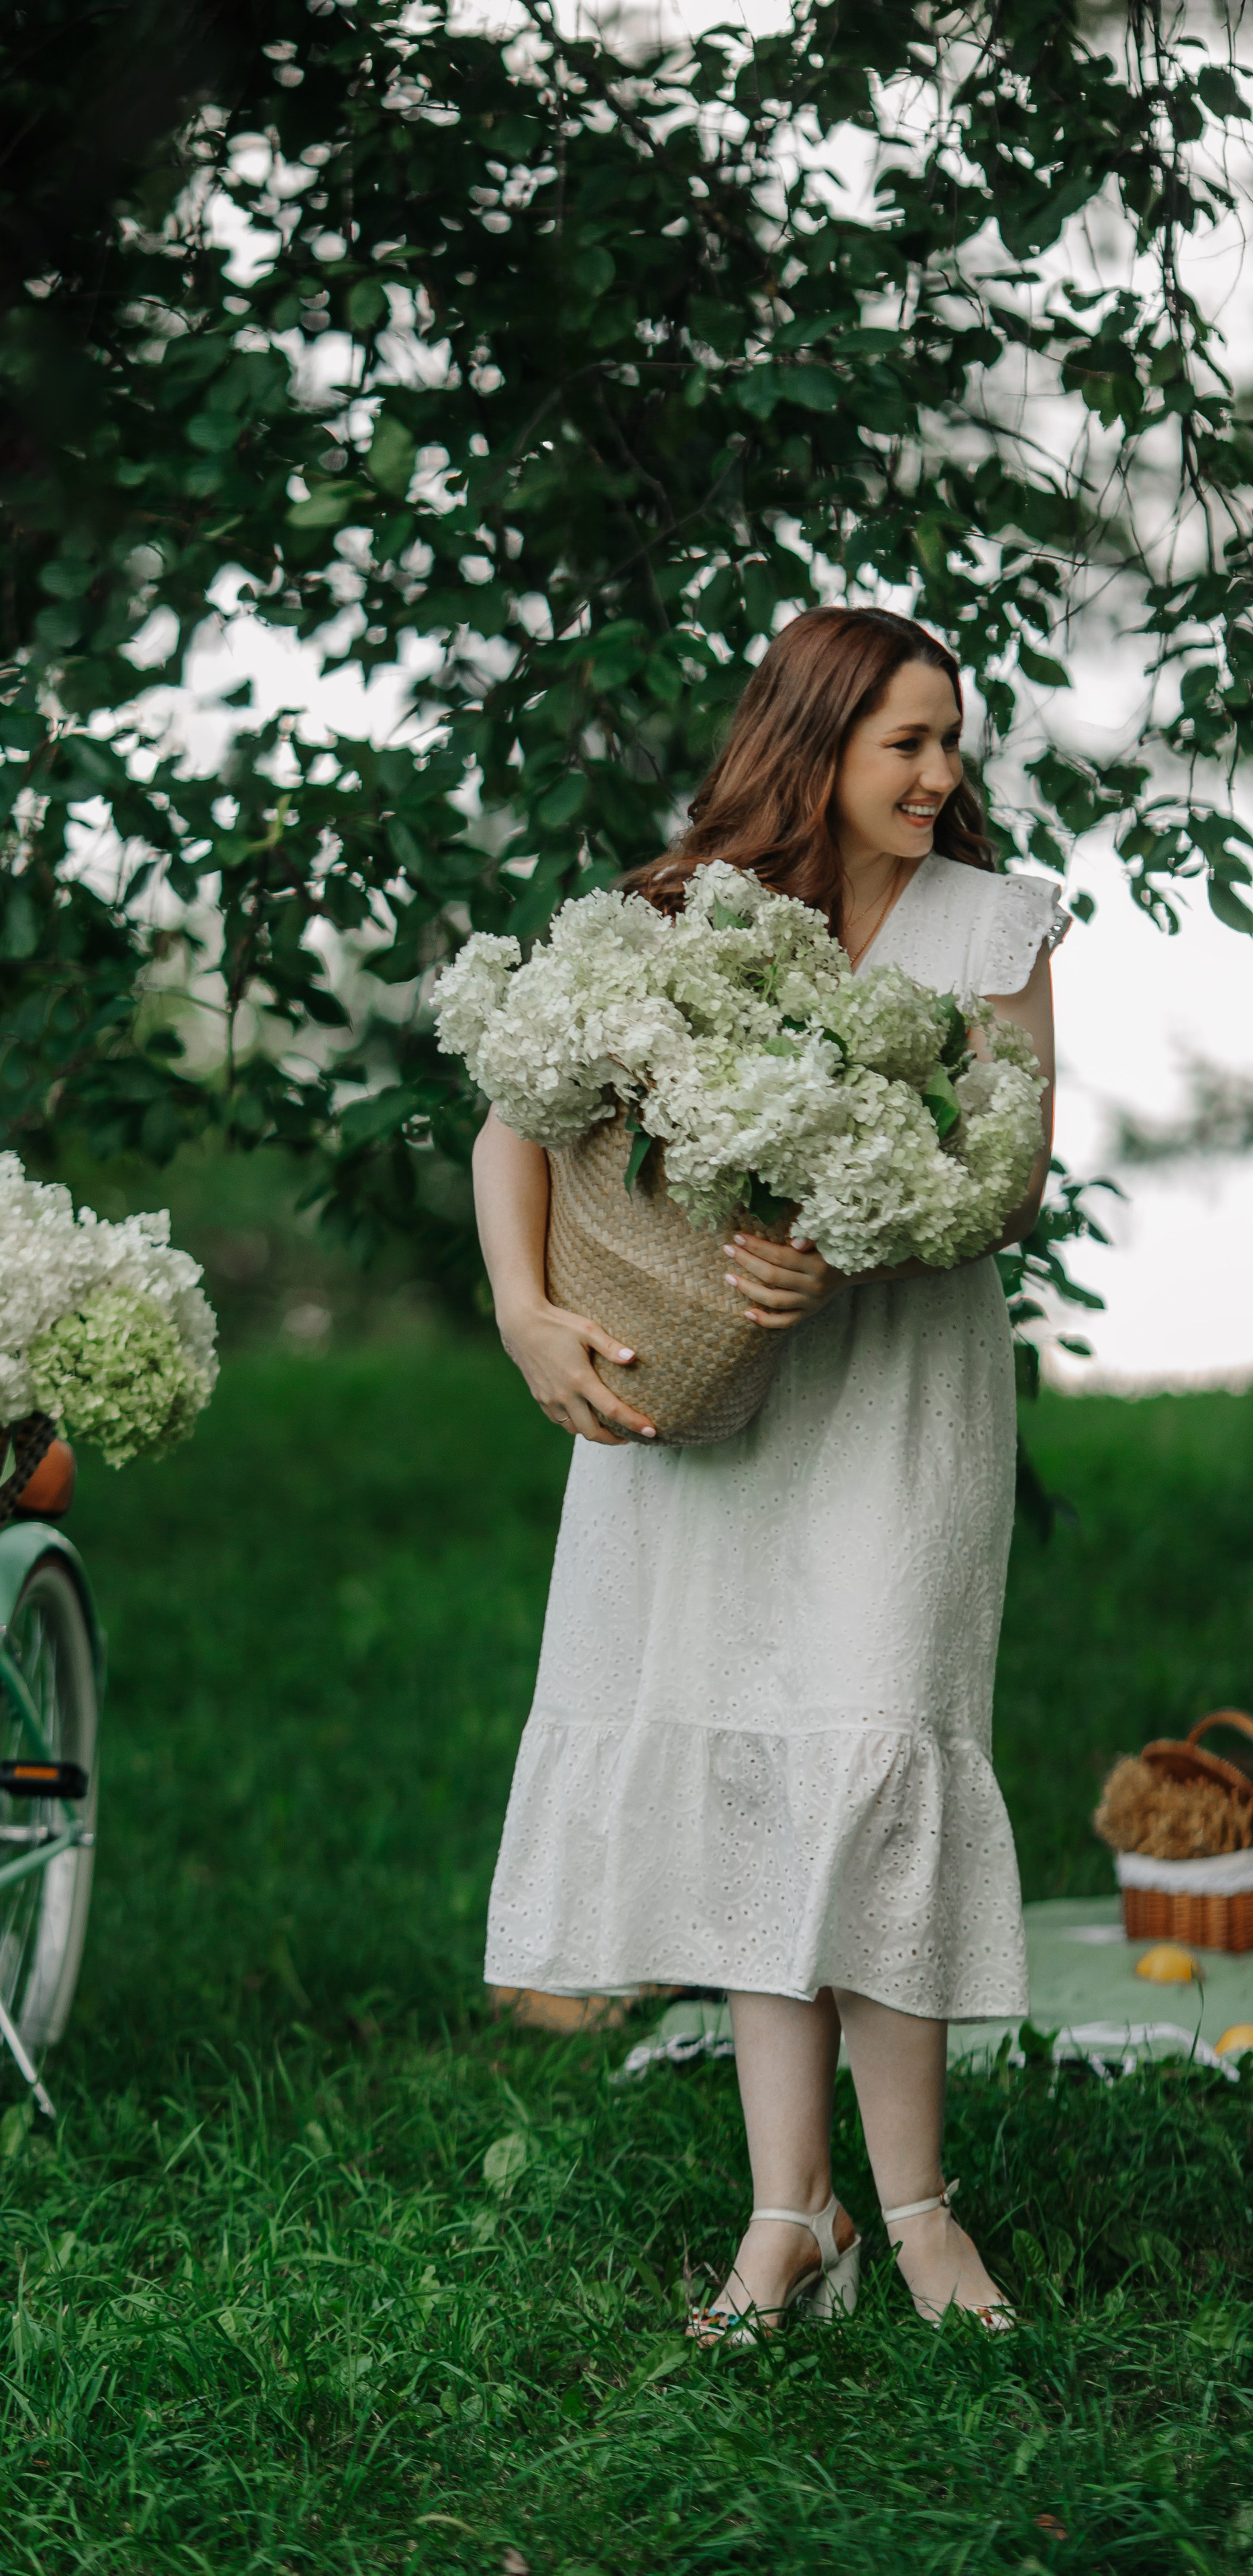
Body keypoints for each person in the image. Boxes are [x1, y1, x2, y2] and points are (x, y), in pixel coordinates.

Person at [470, 606, 1060, 2338]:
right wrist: (524, 1316)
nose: (945, 775)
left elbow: (1015, 1174)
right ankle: (789, 2217)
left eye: (953, 741)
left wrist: (866, 1239)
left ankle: (925, 2213)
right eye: (909, 743)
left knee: (875, 1751)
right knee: (749, 1767)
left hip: (896, 1404)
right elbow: (519, 1116)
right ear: (812, 744)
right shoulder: (673, 914)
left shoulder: (992, 925)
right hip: (706, 1407)